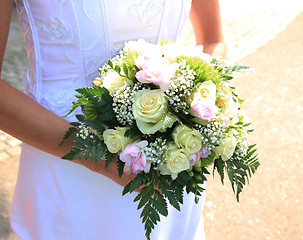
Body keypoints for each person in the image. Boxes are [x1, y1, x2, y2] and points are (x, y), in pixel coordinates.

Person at [0, 0, 226, 239]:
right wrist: (102, 161)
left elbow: (214, 40)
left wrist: (203, 101)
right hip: (66, 170)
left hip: (170, 166)